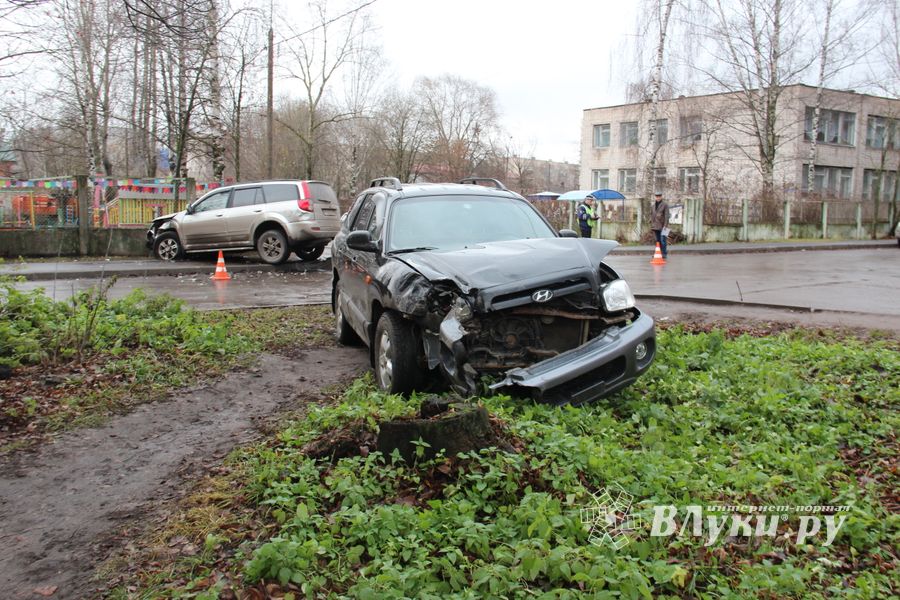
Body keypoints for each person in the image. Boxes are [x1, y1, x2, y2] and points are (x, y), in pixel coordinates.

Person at [650, 192, 670, 258]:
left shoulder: (665, 205)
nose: (658, 198)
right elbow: (652, 216)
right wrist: (652, 224)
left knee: (663, 240)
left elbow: (667, 216)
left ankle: (664, 254)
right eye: (657, 196)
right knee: (657, 241)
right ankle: (658, 253)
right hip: (655, 226)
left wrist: (665, 226)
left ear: (661, 197)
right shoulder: (653, 206)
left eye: (659, 196)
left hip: (664, 226)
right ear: (655, 197)